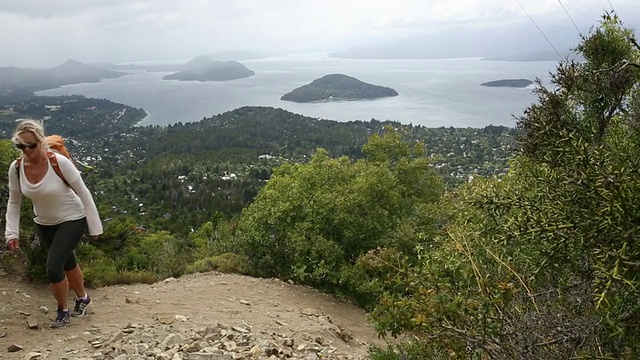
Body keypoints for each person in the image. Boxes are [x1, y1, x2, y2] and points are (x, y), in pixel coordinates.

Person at [4, 120, 103, 328]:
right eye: (20, 146)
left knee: (53, 267)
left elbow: (83, 193)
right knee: (67, 262)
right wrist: (12, 233)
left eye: (30, 145)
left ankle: (62, 311)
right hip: (44, 222)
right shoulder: (17, 168)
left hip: (72, 218)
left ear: (41, 142)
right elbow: (14, 201)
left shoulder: (58, 162)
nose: (26, 150)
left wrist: (95, 227)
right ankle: (83, 298)